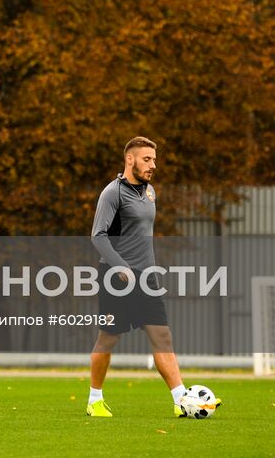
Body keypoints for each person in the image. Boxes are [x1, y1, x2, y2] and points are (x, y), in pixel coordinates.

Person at [84, 136, 210, 419]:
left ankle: (181, 400)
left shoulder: (150, 191)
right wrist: (121, 267)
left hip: (146, 278)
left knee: (161, 336)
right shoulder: (112, 193)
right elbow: (98, 236)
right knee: (108, 338)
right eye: (147, 159)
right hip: (115, 277)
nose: (153, 165)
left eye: (154, 159)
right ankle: (95, 400)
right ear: (130, 160)